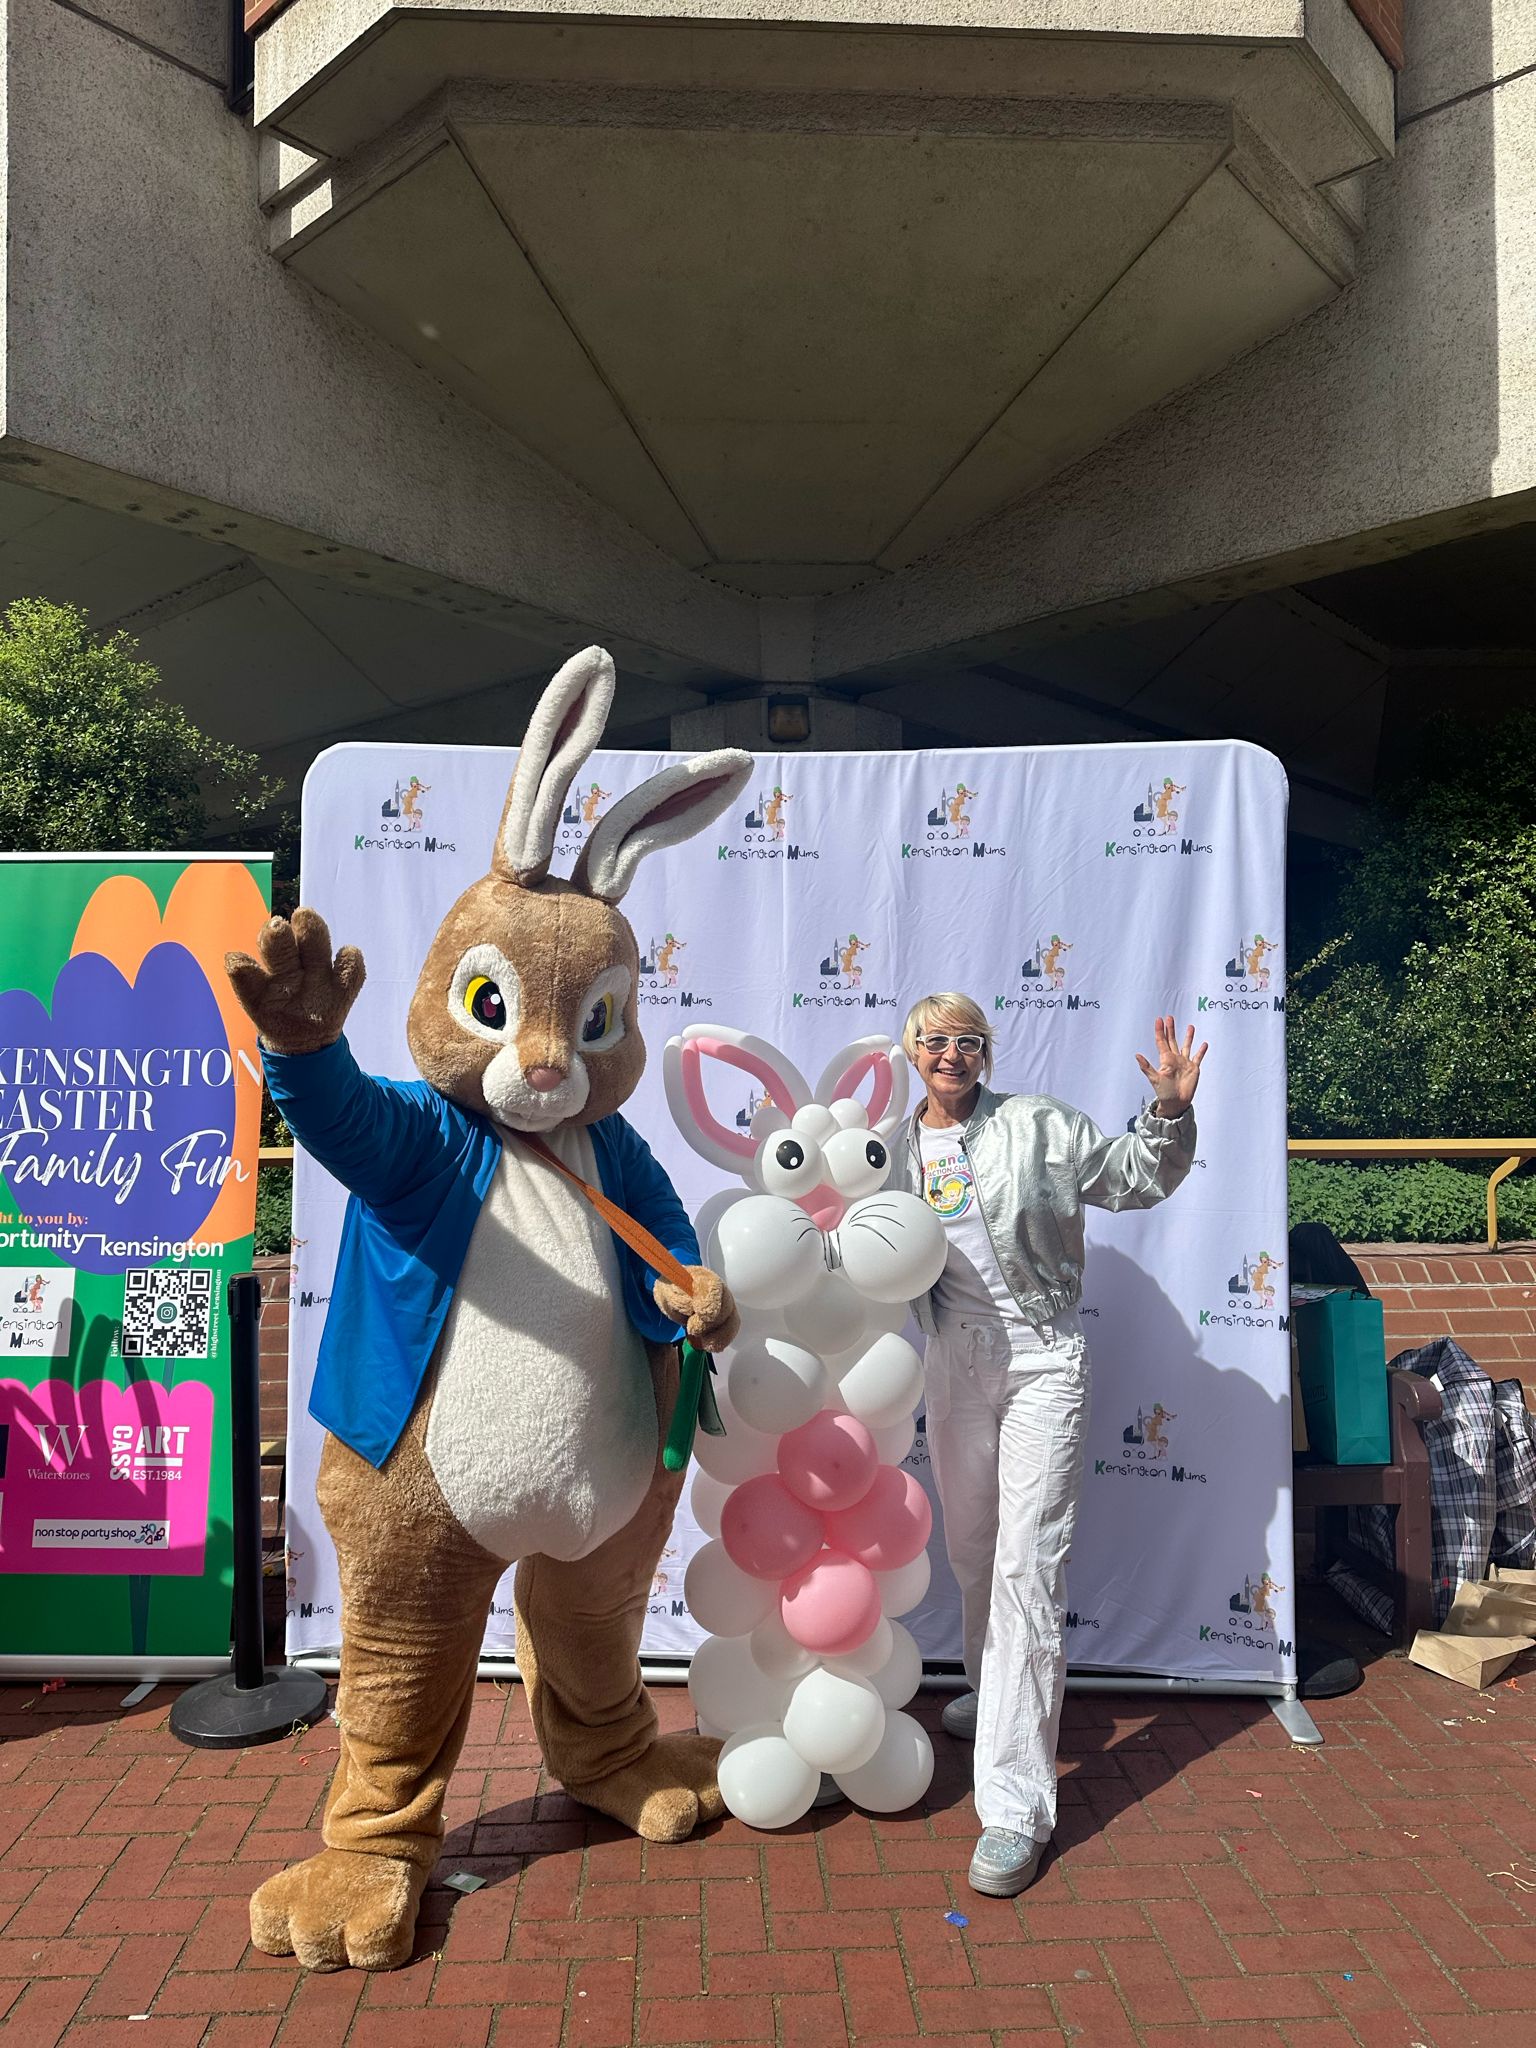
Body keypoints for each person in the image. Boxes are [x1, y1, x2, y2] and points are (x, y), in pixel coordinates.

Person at [899, 992, 1206, 1897]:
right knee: (972, 1552)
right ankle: (995, 1693)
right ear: (911, 1051)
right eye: (935, 1039)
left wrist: (1169, 1113)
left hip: (1043, 1360)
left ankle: (1015, 1806)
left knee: (1028, 1567)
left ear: (986, 1053)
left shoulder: (1039, 1126)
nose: (951, 1053)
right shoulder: (890, 1149)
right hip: (952, 1362)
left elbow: (1135, 1176)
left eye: (968, 1040)